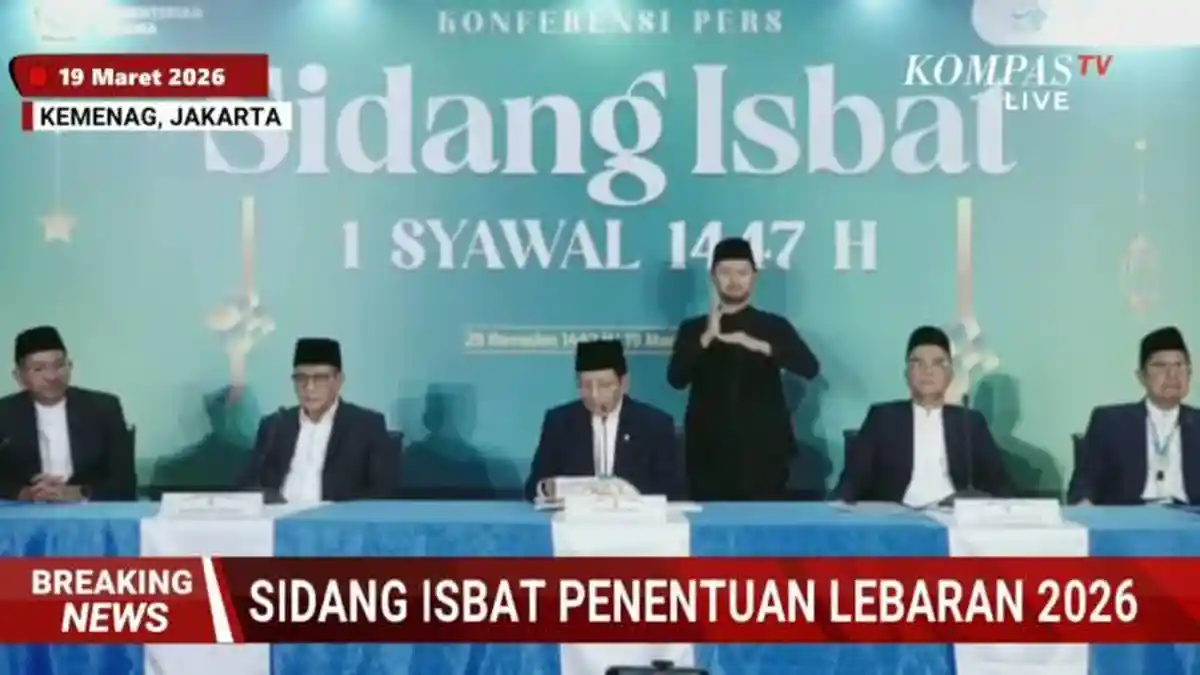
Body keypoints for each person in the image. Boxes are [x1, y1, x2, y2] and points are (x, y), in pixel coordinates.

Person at [667, 237, 820, 501]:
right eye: (725, 272)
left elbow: (809, 367)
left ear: (754, 277)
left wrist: (759, 345)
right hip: (707, 452)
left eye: (742, 272)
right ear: (713, 276)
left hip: (765, 452)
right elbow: (676, 378)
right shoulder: (693, 329)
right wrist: (707, 337)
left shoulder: (774, 326)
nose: (734, 280)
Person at [834, 326, 1013, 505]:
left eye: (938, 363)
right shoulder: (882, 418)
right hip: (898, 515)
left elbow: (998, 482)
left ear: (950, 375)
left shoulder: (970, 423)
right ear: (906, 374)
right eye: (918, 363)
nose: (927, 371)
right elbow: (853, 481)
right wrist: (835, 509)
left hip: (953, 514)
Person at [243, 338, 398, 502]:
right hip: (278, 515)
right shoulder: (275, 426)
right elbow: (249, 483)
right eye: (301, 378)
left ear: (338, 381)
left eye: (320, 378)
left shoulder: (366, 426)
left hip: (337, 517)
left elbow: (381, 492)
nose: (309, 387)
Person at [526, 339, 684, 500]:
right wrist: (547, 488)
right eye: (586, 386)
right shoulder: (559, 422)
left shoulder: (654, 425)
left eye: (604, 385)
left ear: (624, 383)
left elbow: (673, 492)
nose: (594, 395)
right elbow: (533, 488)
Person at [0, 326, 135, 501]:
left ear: (70, 366)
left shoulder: (104, 409)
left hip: (88, 510)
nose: (52, 376)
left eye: (59, 366)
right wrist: (24, 493)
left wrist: (77, 493)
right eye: (39, 369)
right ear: (19, 376)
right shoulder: (4, 414)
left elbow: (124, 482)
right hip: (24, 512)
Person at [1070, 326, 1197, 505]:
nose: (1172, 374)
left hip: (1191, 516)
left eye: (1180, 365)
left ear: (1190, 374)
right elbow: (1085, 482)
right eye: (1160, 366)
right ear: (1141, 376)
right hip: (1130, 515)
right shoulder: (1110, 422)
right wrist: (1084, 503)